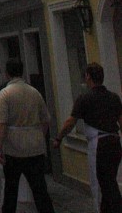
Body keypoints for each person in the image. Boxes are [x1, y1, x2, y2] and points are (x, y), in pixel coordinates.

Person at [53, 61, 122, 213]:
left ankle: (105, 209)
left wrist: (59, 138)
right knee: (111, 180)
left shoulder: (85, 98)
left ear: (88, 77)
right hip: (114, 142)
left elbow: (71, 122)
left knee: (99, 183)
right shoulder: (113, 97)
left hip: (99, 144)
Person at [0, 57, 55, 213]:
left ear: (7, 73)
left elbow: (1, 123)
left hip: (13, 149)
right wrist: (38, 136)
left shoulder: (5, 94)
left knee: (11, 190)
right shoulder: (34, 92)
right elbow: (46, 119)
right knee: (40, 190)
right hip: (35, 148)